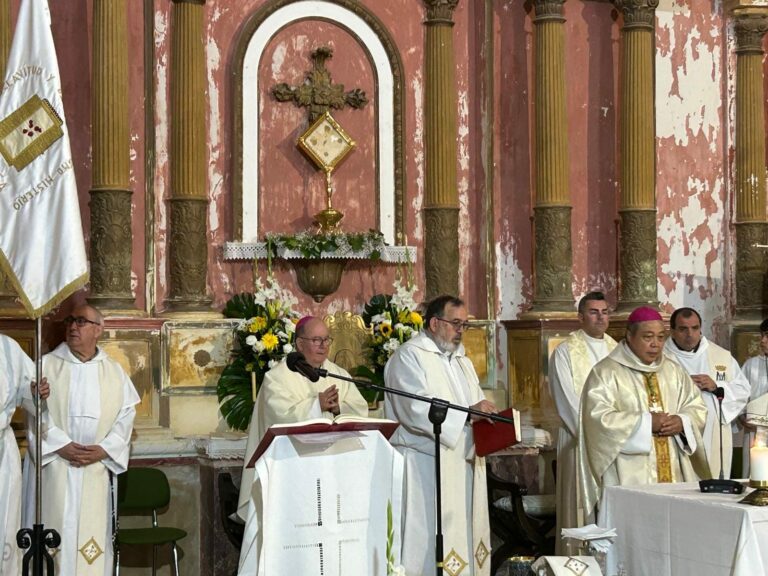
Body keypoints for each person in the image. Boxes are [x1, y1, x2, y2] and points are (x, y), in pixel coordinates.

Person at [23, 304, 140, 576]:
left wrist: (104, 450)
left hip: (95, 469)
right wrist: (60, 445)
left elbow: (126, 417)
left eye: (81, 322)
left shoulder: (113, 371)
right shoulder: (47, 366)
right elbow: (34, 414)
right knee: (55, 537)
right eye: (70, 321)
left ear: (98, 330)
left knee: (92, 546)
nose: (73, 327)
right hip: (56, 467)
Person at [384, 295, 496, 576]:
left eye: (464, 325)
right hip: (426, 465)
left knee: (464, 535)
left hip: (463, 461)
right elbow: (414, 408)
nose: (461, 330)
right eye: (455, 323)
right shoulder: (409, 356)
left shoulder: (461, 361)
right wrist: (469, 414)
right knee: (427, 538)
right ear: (435, 323)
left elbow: (476, 403)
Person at [578, 306, 709, 520]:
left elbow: (695, 406)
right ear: (629, 336)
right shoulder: (606, 372)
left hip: (675, 471)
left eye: (660, 337)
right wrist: (646, 424)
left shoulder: (673, 370)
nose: (655, 344)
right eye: (647, 337)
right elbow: (597, 420)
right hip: (628, 472)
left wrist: (682, 422)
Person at [237, 315, 369, 521]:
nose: (323, 346)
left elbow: (360, 409)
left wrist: (338, 408)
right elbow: (278, 417)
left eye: (326, 340)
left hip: (334, 471)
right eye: (316, 340)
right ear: (300, 343)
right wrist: (317, 405)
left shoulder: (338, 373)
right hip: (291, 473)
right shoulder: (278, 377)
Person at [548, 291, 616, 553]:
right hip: (578, 441)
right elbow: (567, 400)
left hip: (616, 445)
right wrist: (597, 436)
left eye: (605, 312)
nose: (600, 317)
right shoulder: (565, 352)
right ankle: (576, 564)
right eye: (593, 311)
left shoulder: (619, 351)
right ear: (580, 317)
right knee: (581, 509)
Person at [663, 307, 750, 479]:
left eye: (695, 328)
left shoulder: (720, 356)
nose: (690, 334)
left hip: (714, 434)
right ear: (672, 331)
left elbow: (743, 390)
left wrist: (717, 386)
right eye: (683, 329)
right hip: (678, 436)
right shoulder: (662, 357)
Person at [0, 335, 48, 575]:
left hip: (2, 455)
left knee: (4, 527)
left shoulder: (7, 348)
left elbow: (31, 397)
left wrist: (36, 392)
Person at [739, 318, 768, 477]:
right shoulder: (751, 365)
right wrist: (742, 416)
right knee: (754, 475)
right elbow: (738, 395)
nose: (762, 340)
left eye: (767, 336)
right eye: (762, 335)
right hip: (755, 433)